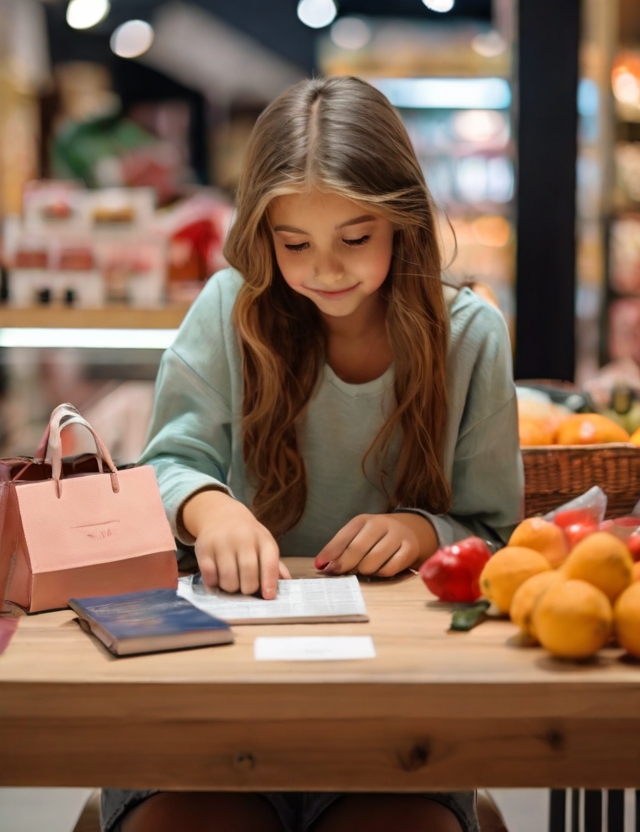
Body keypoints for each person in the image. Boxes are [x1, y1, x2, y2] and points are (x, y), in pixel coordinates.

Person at [101, 75, 522, 832]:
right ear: (262, 238)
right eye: (294, 244)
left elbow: (497, 533)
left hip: (396, 708)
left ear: (405, 223)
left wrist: (427, 530)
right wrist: (209, 507)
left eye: (355, 240)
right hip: (213, 692)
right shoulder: (229, 308)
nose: (325, 270)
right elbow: (165, 463)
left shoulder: (471, 337)